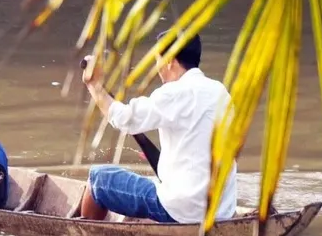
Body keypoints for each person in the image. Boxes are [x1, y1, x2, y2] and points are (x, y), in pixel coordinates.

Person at [79, 33, 238, 224]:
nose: (158, 70)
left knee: (98, 178)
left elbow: (123, 118)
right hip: (222, 210)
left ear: (170, 61)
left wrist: (94, 85)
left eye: (158, 62)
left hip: (183, 211)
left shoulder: (174, 92)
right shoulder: (221, 92)